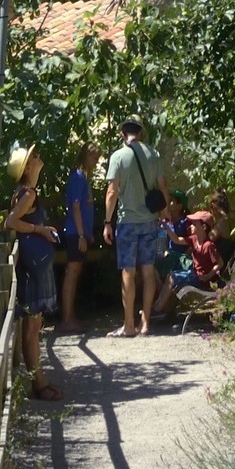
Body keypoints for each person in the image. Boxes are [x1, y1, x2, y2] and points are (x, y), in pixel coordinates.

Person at [5, 147, 64, 399]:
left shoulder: (26, 194)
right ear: (27, 168)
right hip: (33, 269)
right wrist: (39, 230)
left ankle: (39, 379)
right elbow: (11, 222)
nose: (39, 158)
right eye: (34, 158)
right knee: (32, 328)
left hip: (32, 265)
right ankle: (38, 383)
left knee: (34, 326)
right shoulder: (28, 194)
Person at [102, 116, 165, 337]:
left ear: (122, 133)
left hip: (127, 221)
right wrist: (164, 213)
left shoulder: (118, 156)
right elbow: (162, 186)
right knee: (148, 271)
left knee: (128, 271)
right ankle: (146, 323)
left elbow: (112, 192)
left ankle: (128, 325)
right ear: (141, 132)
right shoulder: (153, 154)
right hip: (150, 221)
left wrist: (107, 222)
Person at [57, 143, 99, 332]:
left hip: (81, 233)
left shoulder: (85, 178)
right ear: (86, 156)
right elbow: (75, 207)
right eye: (94, 157)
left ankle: (71, 316)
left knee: (75, 273)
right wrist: (81, 234)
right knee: (72, 273)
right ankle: (67, 319)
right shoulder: (77, 178)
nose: (96, 161)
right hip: (75, 233)